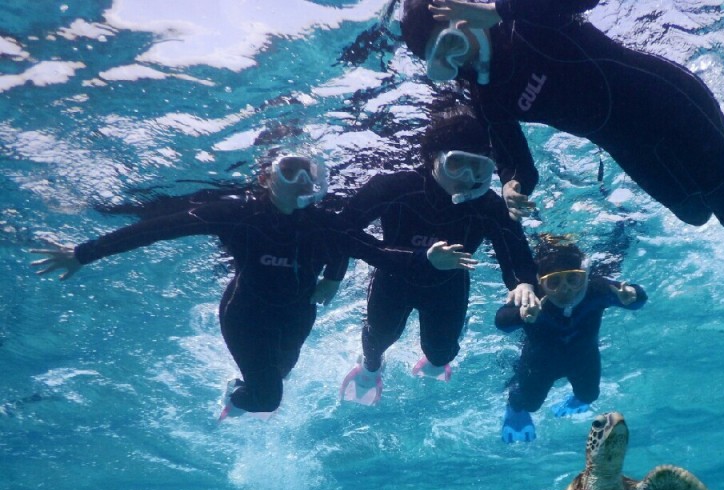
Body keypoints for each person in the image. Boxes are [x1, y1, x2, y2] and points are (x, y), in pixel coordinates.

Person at [31, 154, 455, 419]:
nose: (301, 181)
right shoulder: (238, 215)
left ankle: (248, 386)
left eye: (310, 172)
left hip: (297, 314)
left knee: (281, 372)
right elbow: (157, 229)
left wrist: (423, 258)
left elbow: (376, 252)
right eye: (289, 171)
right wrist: (84, 253)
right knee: (269, 399)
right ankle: (236, 399)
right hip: (245, 313)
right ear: (268, 177)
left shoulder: (325, 222)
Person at [400, 0, 724, 234]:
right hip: (628, 143)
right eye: (443, 61)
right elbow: (519, 164)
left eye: (452, 42)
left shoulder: (525, 22)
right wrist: (512, 184)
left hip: (668, 103)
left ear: (462, 15)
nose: (459, 59)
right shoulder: (487, 96)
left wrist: (502, 9)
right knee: (696, 215)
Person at [338, 107, 540, 406]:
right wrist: (420, 258)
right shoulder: (393, 187)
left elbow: (512, 244)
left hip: (447, 288)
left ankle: (433, 362)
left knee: (441, 352)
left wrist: (522, 282)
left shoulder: (488, 205)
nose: (467, 178)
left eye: (478, 168)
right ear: (433, 157)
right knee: (378, 339)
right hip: (394, 279)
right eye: (457, 164)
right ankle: (370, 369)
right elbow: (344, 234)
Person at [495, 233, 646, 443]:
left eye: (573, 279)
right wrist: (520, 315)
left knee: (589, 396)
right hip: (539, 362)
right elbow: (501, 320)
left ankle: (574, 400)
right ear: (540, 283)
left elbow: (637, 298)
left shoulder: (597, 288)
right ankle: (514, 407)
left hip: (583, 358)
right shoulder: (533, 297)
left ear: (584, 276)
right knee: (529, 404)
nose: (565, 289)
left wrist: (632, 296)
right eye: (554, 282)